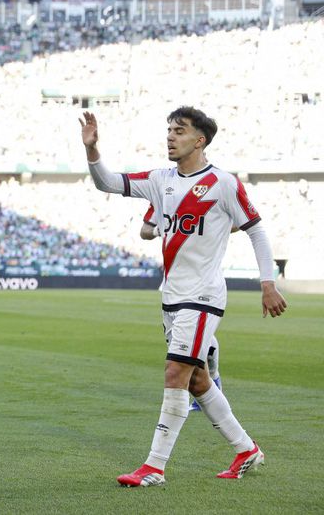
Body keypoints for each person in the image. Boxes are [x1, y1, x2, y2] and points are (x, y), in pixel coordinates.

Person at [79, 107, 287, 487]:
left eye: (180, 130)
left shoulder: (223, 183)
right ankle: (246, 449)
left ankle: (154, 467)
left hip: (203, 296)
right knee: (197, 381)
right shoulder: (161, 180)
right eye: (169, 129)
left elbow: (256, 230)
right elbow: (107, 182)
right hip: (172, 297)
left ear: (200, 140)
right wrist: (93, 150)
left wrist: (267, 282)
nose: (171, 136)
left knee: (175, 372)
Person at [141, 204, 224, 412]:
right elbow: (144, 231)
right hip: (174, 280)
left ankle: (210, 383)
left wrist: (212, 227)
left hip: (201, 278)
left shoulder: (210, 193)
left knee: (194, 339)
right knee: (179, 340)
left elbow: (238, 223)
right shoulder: (161, 195)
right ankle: (211, 382)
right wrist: (162, 229)